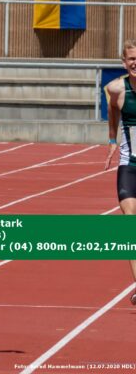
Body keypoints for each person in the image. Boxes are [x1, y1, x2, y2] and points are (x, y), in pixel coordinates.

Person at [105, 39, 136, 305]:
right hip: (130, 164)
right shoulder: (117, 89)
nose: (135, 63)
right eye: (131, 59)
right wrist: (112, 141)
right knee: (129, 223)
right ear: (124, 63)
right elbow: (111, 104)